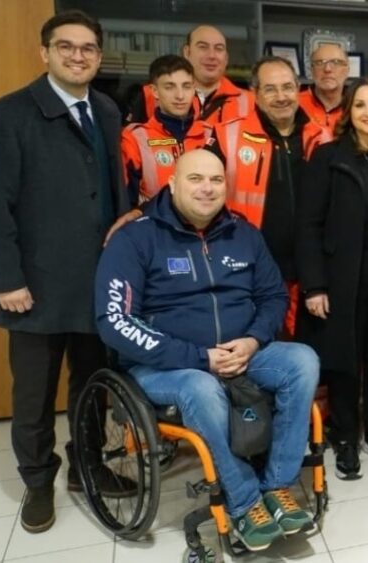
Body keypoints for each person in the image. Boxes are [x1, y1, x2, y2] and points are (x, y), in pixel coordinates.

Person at [94, 149, 319, 553]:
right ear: (172, 183)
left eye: (216, 180)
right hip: (166, 366)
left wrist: (251, 340)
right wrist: (199, 357)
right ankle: (246, 500)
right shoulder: (134, 238)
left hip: (241, 351)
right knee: (200, 387)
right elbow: (115, 321)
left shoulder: (243, 233)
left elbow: (272, 297)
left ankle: (278, 488)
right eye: (195, 179)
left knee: (303, 360)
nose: (207, 188)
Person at [0, 10, 132, 534]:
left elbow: (114, 193)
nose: (78, 56)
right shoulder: (10, 114)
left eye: (89, 48)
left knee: (92, 384)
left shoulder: (107, 110)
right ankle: (36, 482)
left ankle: (87, 466)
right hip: (35, 286)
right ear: (44, 52)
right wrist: (6, 278)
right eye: (66, 46)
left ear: (99, 55)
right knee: (33, 395)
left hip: (97, 282)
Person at [296, 77, 368, 480]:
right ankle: (345, 437)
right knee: (344, 361)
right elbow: (308, 225)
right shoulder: (328, 157)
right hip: (343, 277)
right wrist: (314, 284)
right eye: (359, 105)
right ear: (348, 112)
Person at [207, 56, 330, 338]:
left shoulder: (322, 137)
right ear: (255, 93)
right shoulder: (228, 135)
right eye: (271, 89)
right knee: (256, 351)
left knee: (309, 359)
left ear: (298, 89)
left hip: (309, 273)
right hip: (248, 270)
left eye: (287, 87)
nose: (281, 97)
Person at [122, 55, 207, 206]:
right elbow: (126, 202)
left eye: (186, 86)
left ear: (194, 88)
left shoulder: (212, 135)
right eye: (169, 87)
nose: (180, 96)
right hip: (154, 226)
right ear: (154, 91)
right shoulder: (136, 139)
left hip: (206, 227)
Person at [127, 25, 251, 125]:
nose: (212, 56)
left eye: (219, 49)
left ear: (226, 58)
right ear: (187, 52)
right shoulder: (150, 95)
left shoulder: (249, 101)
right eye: (203, 47)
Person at [299, 42, 349, 134]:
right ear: (311, 70)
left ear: (347, 70)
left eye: (336, 62)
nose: (327, 69)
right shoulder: (295, 103)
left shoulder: (355, 106)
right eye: (320, 63)